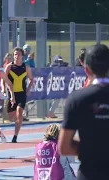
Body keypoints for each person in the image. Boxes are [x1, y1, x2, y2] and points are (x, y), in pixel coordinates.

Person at [58, 44, 109, 180]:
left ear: (86, 70)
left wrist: (89, 150)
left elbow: (63, 147)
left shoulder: (76, 99)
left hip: (88, 173)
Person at [2, 47, 33, 143]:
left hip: (22, 94)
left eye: (18, 54)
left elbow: (32, 79)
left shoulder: (26, 68)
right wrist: (3, 88)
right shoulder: (9, 67)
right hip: (11, 94)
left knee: (19, 113)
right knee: (11, 117)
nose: (16, 56)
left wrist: (28, 89)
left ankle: (15, 136)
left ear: (22, 56)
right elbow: (3, 79)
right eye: (15, 54)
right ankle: (17, 121)